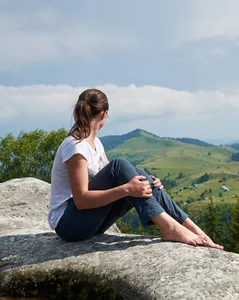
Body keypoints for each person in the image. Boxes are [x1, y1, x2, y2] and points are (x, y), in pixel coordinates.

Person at [48, 88, 223, 249]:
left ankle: (193, 229)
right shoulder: (76, 146)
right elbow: (82, 200)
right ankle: (169, 227)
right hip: (69, 225)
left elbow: (116, 178)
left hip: (88, 222)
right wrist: (126, 189)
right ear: (103, 114)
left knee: (138, 174)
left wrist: (148, 184)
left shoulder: (96, 144)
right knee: (121, 167)